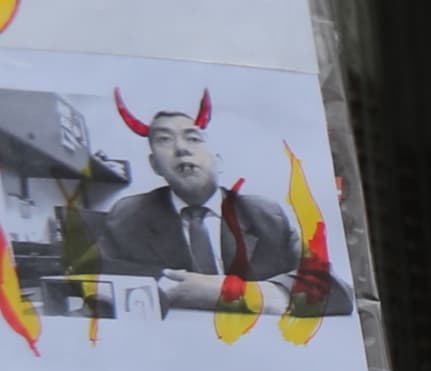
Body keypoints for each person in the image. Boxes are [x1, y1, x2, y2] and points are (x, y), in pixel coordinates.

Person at [87, 93, 350, 314]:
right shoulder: (129, 216)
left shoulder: (267, 216)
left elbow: (334, 289)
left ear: (218, 160)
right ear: (155, 165)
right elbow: (93, 285)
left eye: (193, 138)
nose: (181, 149)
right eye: (164, 140)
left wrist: (236, 293)